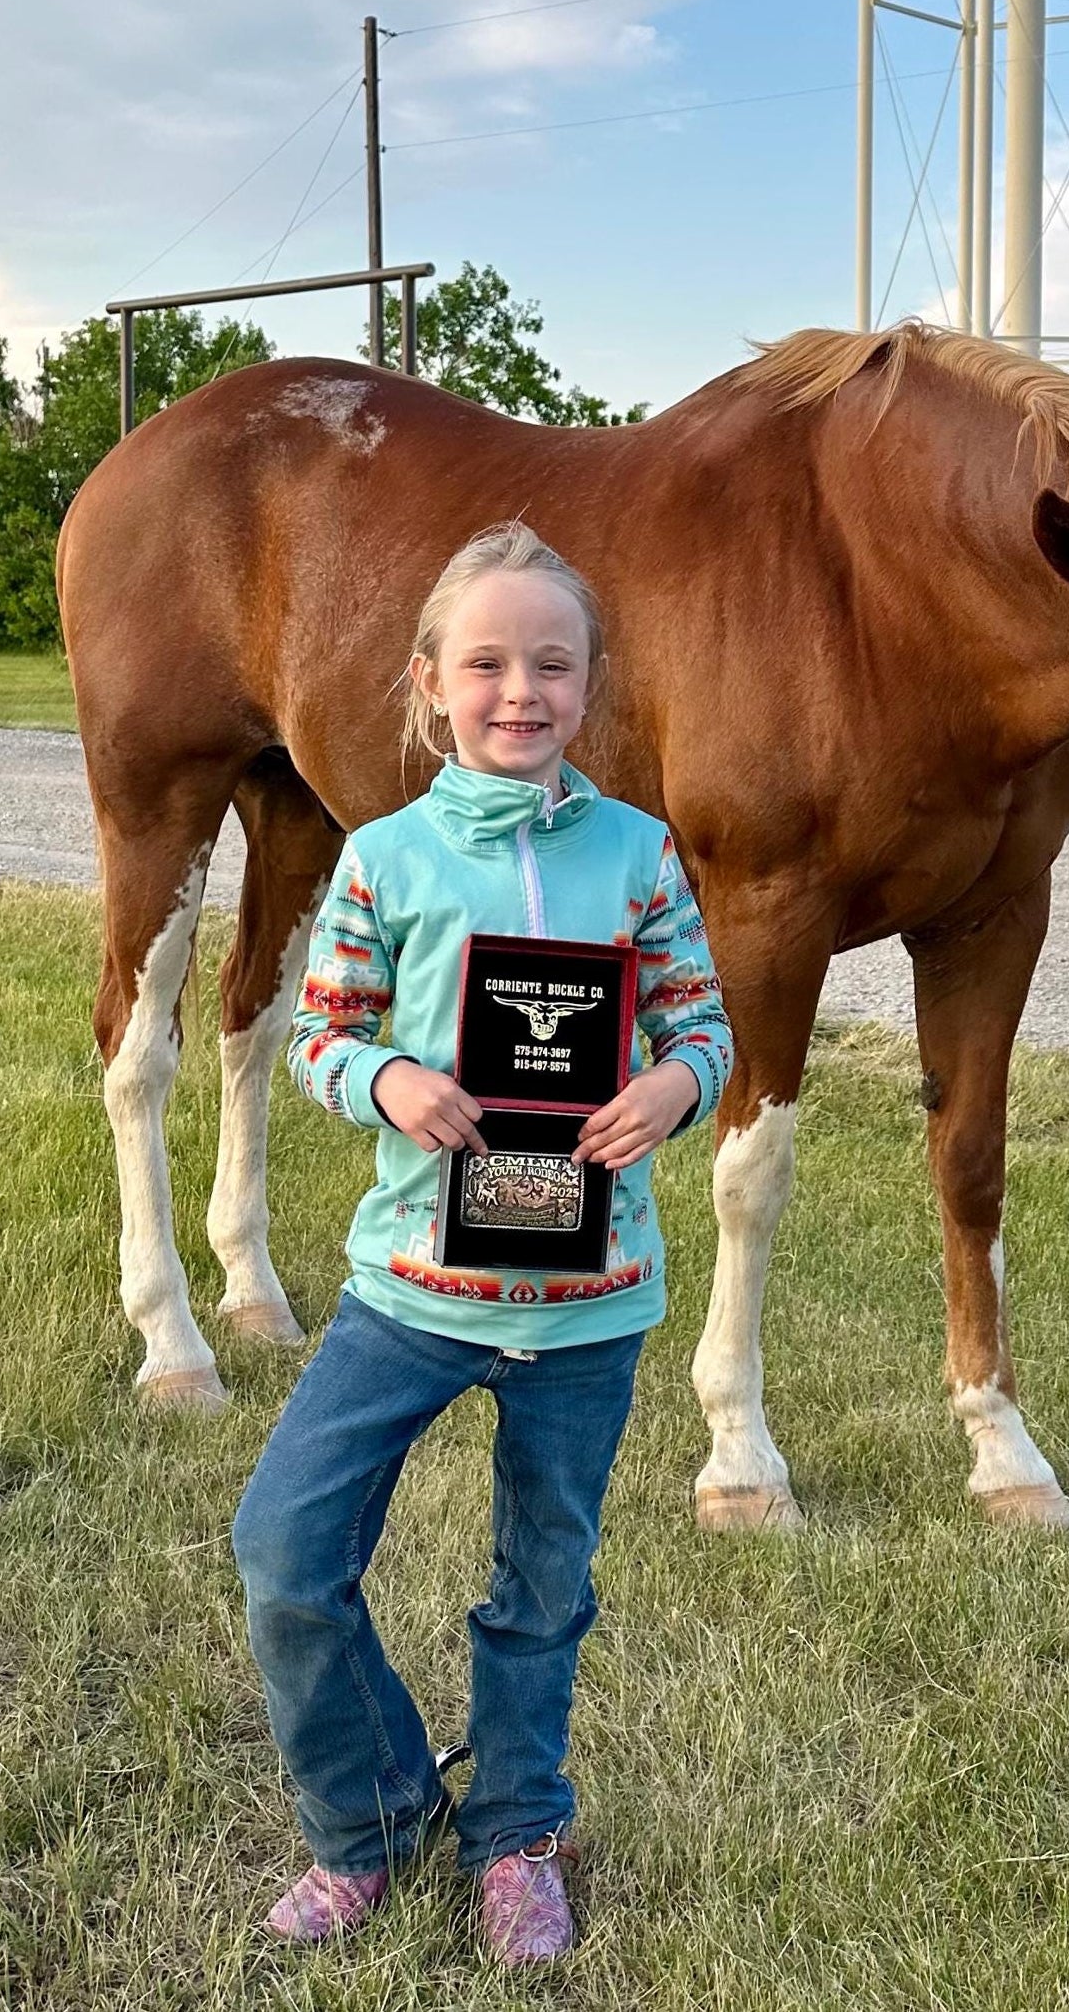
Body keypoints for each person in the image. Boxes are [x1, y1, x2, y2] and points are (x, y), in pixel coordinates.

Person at [231, 519, 732, 1969]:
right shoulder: (384, 859)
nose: (523, 690)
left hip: (589, 1305)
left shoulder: (639, 854)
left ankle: (517, 1832)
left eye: (554, 664)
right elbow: (321, 1032)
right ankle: (372, 1822)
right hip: (411, 1293)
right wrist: (387, 1078)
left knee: (543, 1589)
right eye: (490, 662)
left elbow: (702, 1023)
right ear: (430, 681)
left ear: (591, 683)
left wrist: (673, 1088)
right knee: (285, 1548)